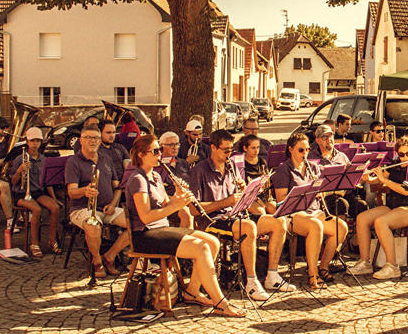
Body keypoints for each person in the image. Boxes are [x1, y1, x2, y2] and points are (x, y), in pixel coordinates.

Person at [125, 134, 246, 317]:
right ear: (142, 155)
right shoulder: (138, 179)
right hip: (145, 234)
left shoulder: (156, 176)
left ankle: (192, 291)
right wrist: (175, 205)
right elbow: (146, 217)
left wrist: (179, 198)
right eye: (155, 151)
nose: (160, 154)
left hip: (161, 229)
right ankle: (220, 302)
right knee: (202, 248)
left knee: (213, 242)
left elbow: (166, 205)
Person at [189, 129, 295, 301]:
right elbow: (194, 210)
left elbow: (238, 199)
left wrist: (249, 191)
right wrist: (226, 201)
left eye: (231, 150)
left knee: (279, 222)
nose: (229, 154)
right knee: (248, 227)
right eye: (225, 150)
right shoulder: (199, 171)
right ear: (213, 148)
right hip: (213, 220)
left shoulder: (231, 167)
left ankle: (272, 275)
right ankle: (251, 282)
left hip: (234, 216)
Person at [271, 133, 348, 289]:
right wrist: (305, 193)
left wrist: (320, 192)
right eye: (301, 150)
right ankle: (312, 274)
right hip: (293, 214)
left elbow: (323, 189)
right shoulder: (283, 169)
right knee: (315, 226)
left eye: (307, 149)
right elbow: (281, 199)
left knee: (341, 227)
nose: (305, 153)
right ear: (290, 149)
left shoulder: (313, 167)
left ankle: (323, 267)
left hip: (314, 211)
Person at [350, 137, 408, 279]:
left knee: (381, 222)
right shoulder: (394, 164)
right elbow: (377, 181)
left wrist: (385, 181)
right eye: (401, 154)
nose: (405, 157)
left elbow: (406, 191)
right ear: (397, 154)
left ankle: (392, 266)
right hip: (392, 205)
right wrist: (368, 178)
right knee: (362, 218)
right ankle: (365, 262)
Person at [65, 124, 130, 277]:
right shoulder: (73, 162)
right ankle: (97, 261)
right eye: (88, 138)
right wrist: (84, 191)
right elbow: (71, 192)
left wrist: (113, 204)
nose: (92, 141)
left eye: (96, 138)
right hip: (82, 209)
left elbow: (117, 187)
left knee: (136, 223)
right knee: (92, 225)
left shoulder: (106, 159)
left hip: (107, 208)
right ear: (81, 140)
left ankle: (110, 256)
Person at [9, 127, 61, 257]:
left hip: (37, 192)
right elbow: (13, 182)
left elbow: (48, 182)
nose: (35, 144)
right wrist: (19, 171)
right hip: (21, 194)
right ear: (27, 142)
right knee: (36, 209)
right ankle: (34, 243)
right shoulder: (19, 159)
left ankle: (52, 240)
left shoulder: (43, 160)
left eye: (38, 141)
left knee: (54, 207)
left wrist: (53, 198)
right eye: (32, 141)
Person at [154, 131, 194, 228]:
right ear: (161, 146)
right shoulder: (156, 164)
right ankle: (184, 241)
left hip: (186, 199)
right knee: (187, 214)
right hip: (168, 201)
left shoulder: (183, 163)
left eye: (177, 144)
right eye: (171, 144)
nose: (175, 147)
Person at [237, 135, 276, 215]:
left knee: (274, 208)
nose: (256, 151)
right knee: (261, 211)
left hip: (264, 197)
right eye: (253, 148)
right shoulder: (241, 165)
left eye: (258, 147)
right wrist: (259, 202)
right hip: (249, 199)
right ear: (245, 148)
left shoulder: (262, 162)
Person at [99, 120, 130, 184]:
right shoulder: (96, 150)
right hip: (105, 185)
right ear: (100, 133)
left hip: (122, 185)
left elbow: (128, 169)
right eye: (108, 132)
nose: (112, 135)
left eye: (114, 132)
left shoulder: (120, 148)